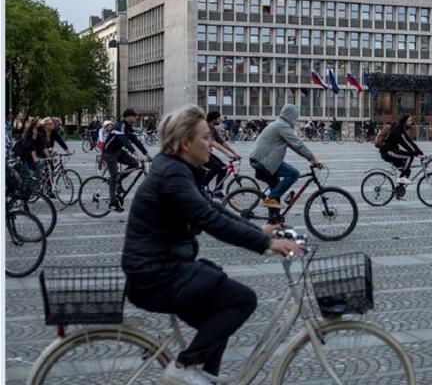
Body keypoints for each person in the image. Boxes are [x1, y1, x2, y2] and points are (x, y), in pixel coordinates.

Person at [122, 105, 301, 385]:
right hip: (156, 275)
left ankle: (198, 373)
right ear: (185, 143)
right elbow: (209, 220)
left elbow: (214, 210)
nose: (212, 143)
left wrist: (259, 230)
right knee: (242, 300)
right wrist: (265, 243)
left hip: (164, 267)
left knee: (217, 322)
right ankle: (183, 367)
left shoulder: (177, 169)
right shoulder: (173, 175)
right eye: (206, 138)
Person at [250, 104, 321, 209]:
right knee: (294, 174)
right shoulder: (282, 126)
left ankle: (275, 221)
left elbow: (294, 145)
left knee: (276, 191)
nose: (296, 119)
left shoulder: (279, 124)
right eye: (296, 116)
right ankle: (271, 198)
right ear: (291, 115)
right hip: (264, 161)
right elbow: (297, 144)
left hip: (261, 159)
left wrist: (309, 158)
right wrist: (313, 158)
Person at [104, 108, 151, 212]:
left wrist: (147, 154)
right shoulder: (119, 126)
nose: (135, 117)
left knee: (134, 164)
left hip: (118, 151)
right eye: (134, 116)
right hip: (109, 153)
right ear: (128, 116)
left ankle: (118, 180)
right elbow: (125, 142)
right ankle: (112, 203)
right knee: (114, 176)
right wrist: (136, 154)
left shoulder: (129, 128)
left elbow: (136, 141)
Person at [379, 114, 424, 185]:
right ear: (404, 122)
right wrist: (416, 154)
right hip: (387, 152)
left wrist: (421, 154)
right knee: (409, 156)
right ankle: (401, 178)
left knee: (407, 171)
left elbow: (410, 142)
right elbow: (405, 144)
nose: (411, 122)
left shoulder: (401, 129)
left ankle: (398, 191)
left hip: (392, 150)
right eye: (409, 121)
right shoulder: (397, 130)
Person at [203, 111, 239, 198]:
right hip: (199, 154)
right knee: (216, 167)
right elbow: (213, 143)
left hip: (207, 153)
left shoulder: (213, 129)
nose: (221, 119)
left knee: (223, 168)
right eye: (219, 118)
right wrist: (227, 153)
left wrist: (234, 153)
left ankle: (218, 191)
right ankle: (202, 186)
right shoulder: (206, 127)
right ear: (214, 119)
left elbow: (222, 142)